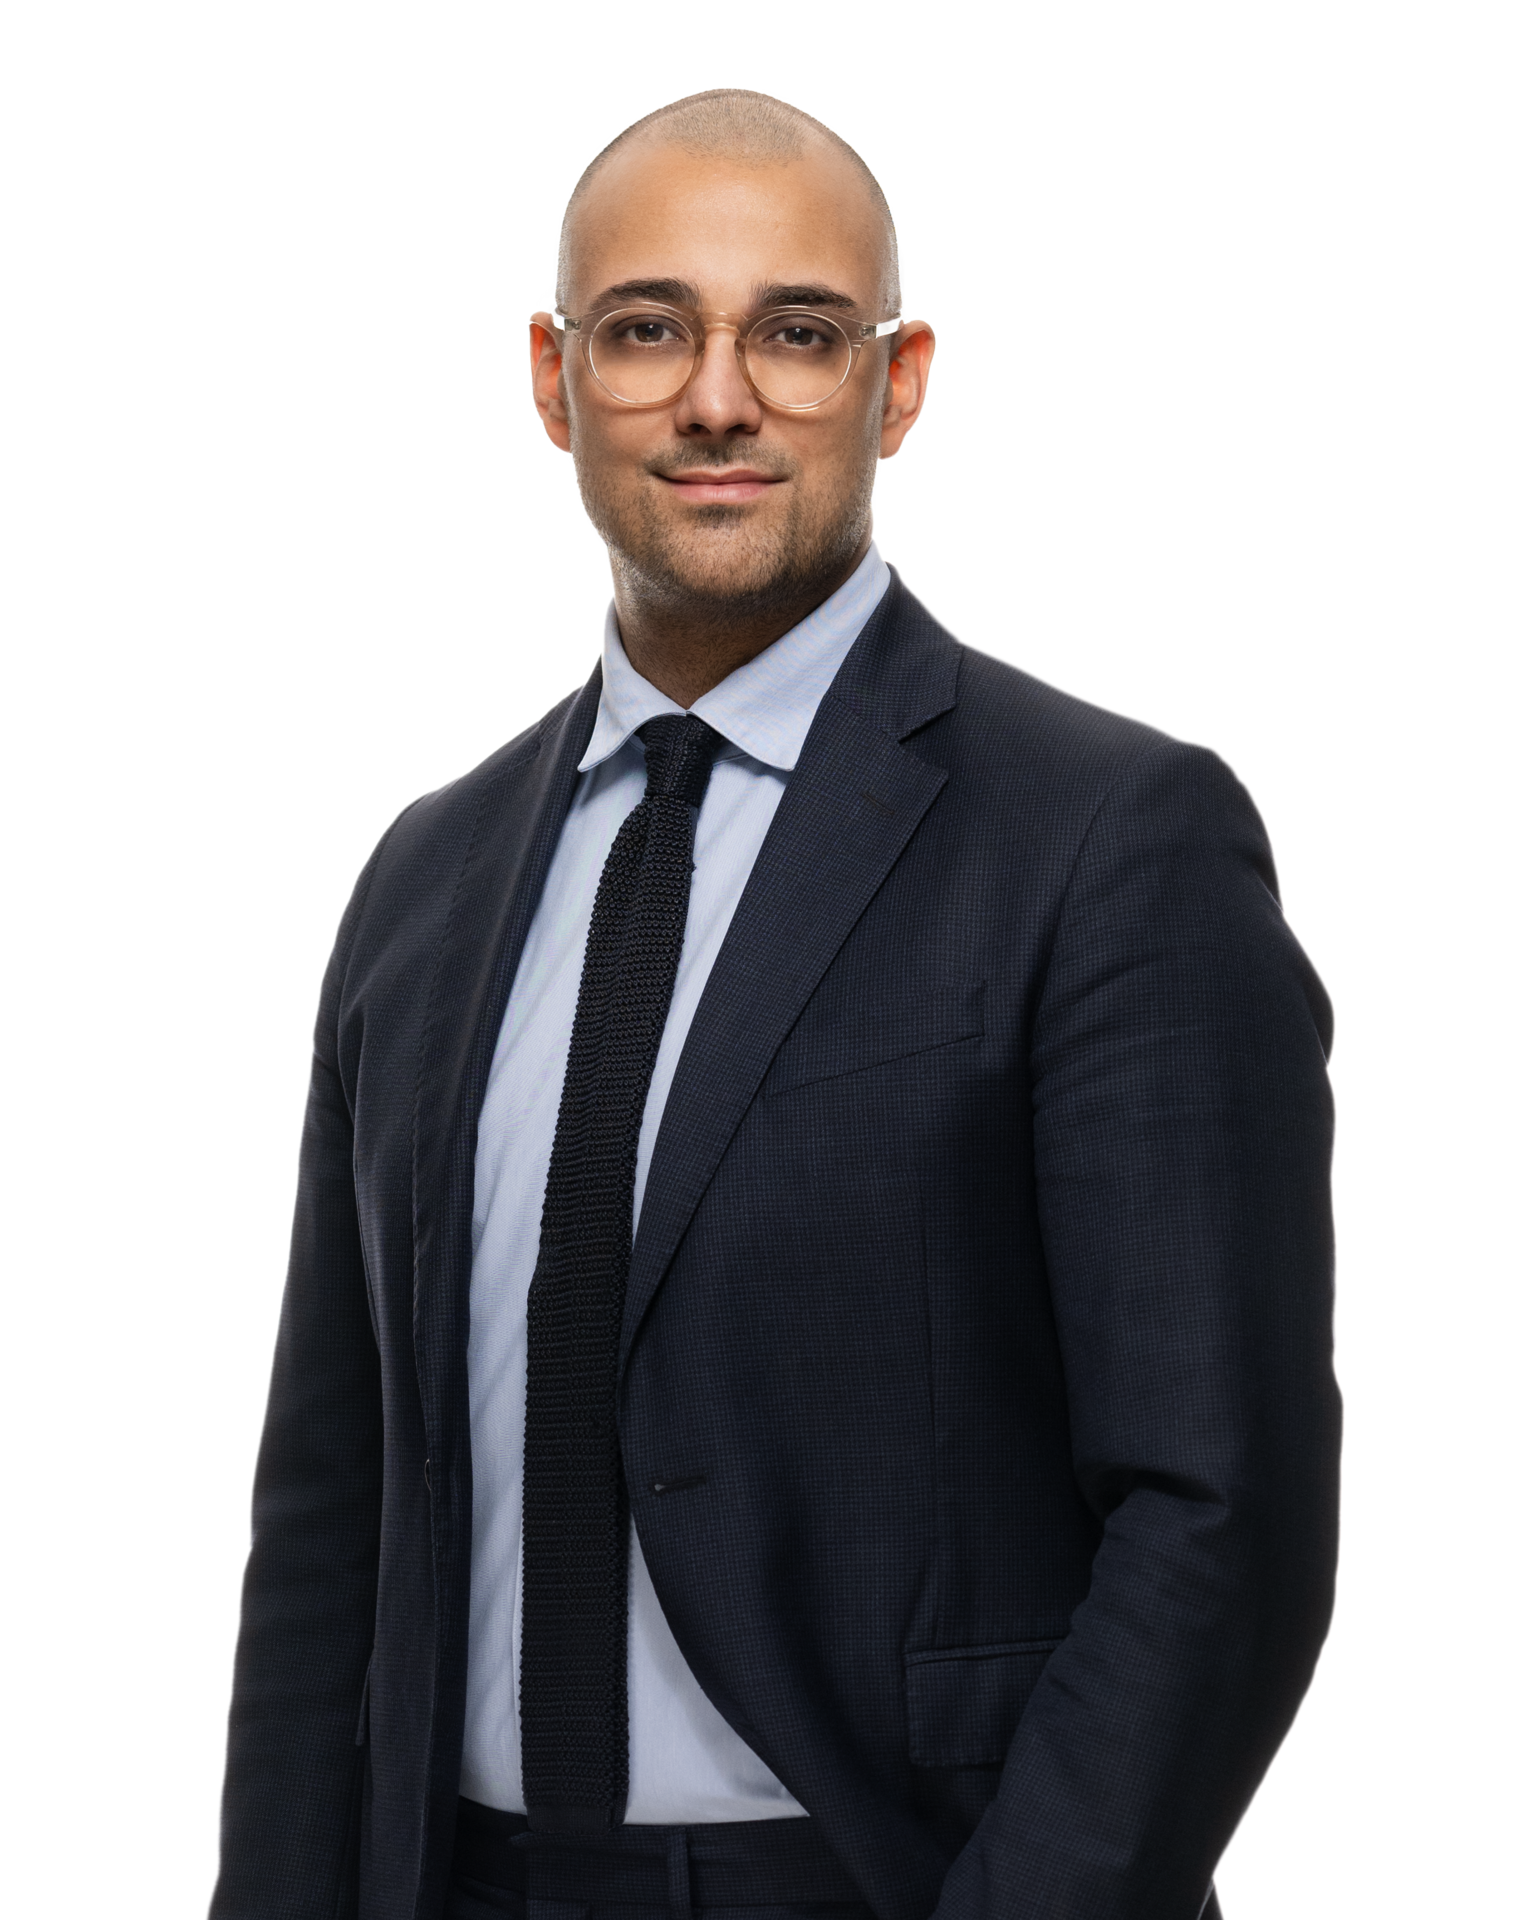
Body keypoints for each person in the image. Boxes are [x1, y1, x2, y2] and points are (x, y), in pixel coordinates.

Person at [208, 85, 1343, 1920]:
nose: (718, 398)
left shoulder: (1112, 837)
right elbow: (327, 1512)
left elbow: (1223, 1516)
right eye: (647, 329)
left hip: (887, 1883)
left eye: (797, 334)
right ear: (553, 378)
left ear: (897, 385)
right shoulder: (422, 878)